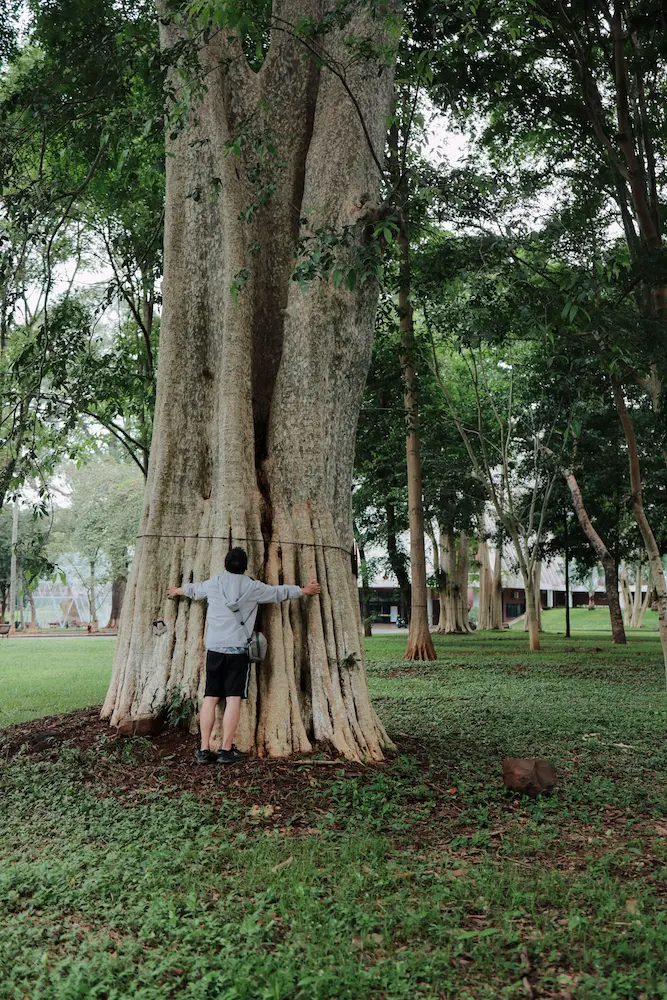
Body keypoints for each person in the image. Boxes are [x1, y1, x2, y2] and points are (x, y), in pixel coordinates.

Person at [167, 547, 320, 765]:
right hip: (238, 652)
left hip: (214, 650)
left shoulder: (214, 583)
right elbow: (279, 593)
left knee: (210, 698)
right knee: (233, 699)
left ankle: (203, 749)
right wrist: (304, 590)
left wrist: (176, 591)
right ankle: (226, 750)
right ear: (246, 566)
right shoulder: (253, 587)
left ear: (225, 564)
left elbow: (194, 590)